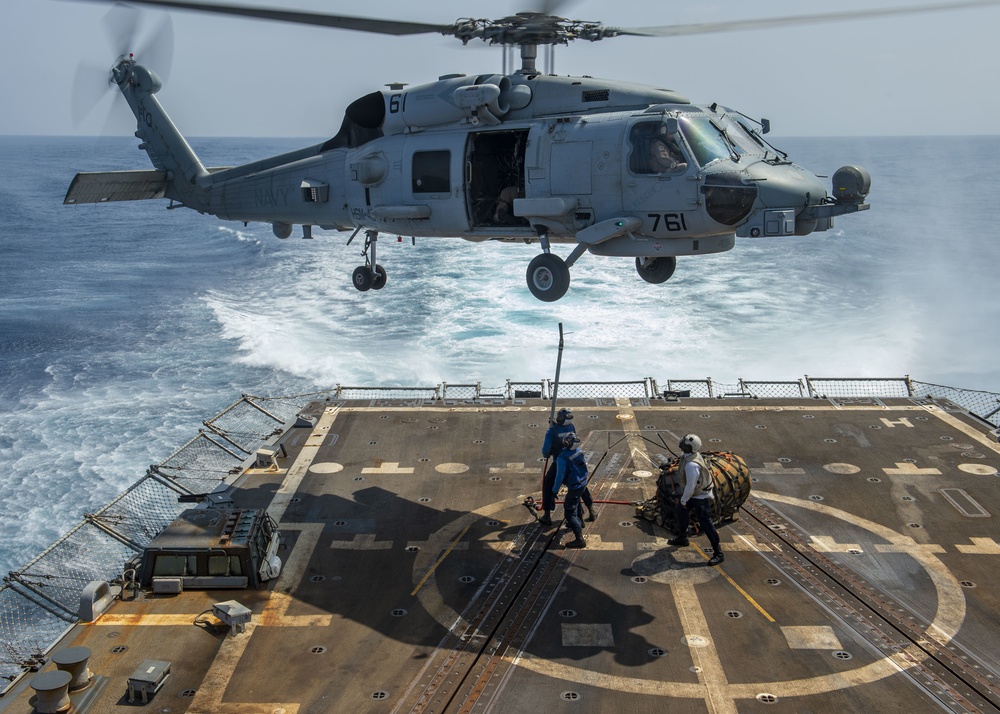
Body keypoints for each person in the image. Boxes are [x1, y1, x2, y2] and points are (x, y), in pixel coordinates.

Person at [669, 434, 724, 566]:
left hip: (699, 496)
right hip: (694, 494)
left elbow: (691, 486)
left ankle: (718, 553)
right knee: (680, 512)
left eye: (684, 444)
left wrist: (683, 501)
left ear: (689, 448)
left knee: (706, 524)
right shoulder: (689, 456)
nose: (681, 444)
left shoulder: (691, 465)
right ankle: (683, 537)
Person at [552, 432, 589, 548]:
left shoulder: (562, 458)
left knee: (569, 513)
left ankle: (579, 539)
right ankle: (581, 521)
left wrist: (554, 490)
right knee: (576, 502)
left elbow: (559, 476)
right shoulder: (578, 451)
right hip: (582, 483)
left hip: (574, 486)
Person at [539, 408, 575, 526]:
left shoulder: (551, 431)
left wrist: (547, 453)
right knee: (579, 486)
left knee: (548, 483)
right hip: (572, 461)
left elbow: (545, 450)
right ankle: (588, 510)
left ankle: (547, 515)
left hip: (559, 461)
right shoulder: (571, 427)